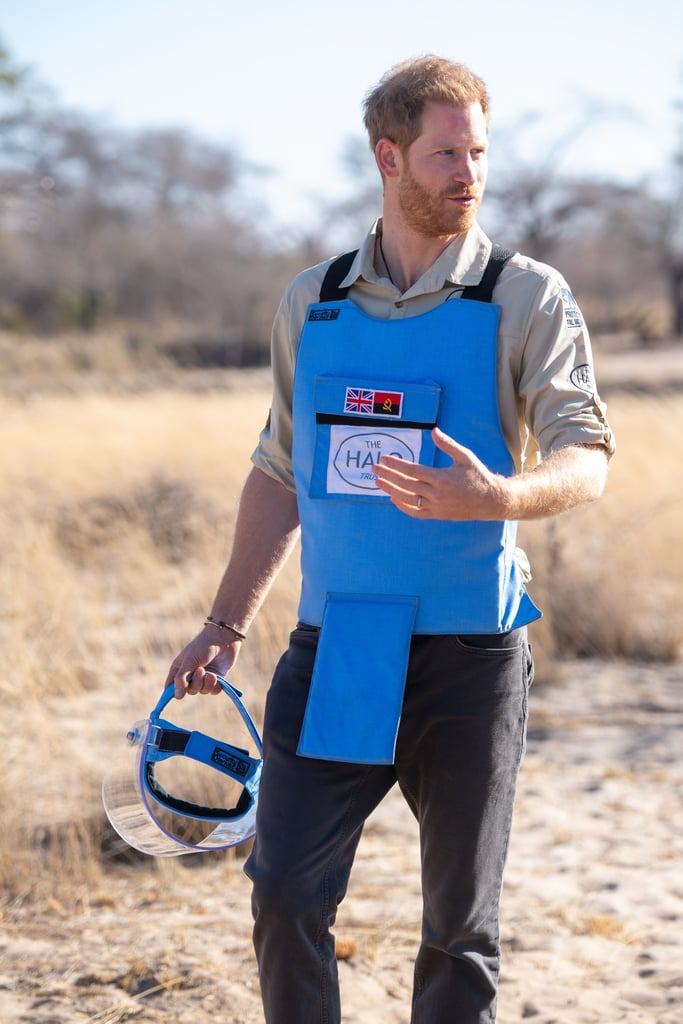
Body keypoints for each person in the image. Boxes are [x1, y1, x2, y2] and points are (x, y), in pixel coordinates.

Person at [167, 55, 615, 1024]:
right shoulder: (313, 302)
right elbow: (279, 471)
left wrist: (499, 492)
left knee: (458, 928)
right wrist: (223, 621)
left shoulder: (523, 294)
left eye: (478, 152)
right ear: (388, 156)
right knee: (283, 889)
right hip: (336, 653)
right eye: (444, 152)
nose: (468, 173)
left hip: (468, 658)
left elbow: (588, 457)